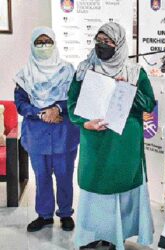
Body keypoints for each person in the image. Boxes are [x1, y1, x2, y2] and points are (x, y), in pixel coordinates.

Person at [67, 22, 156, 250]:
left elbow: (148, 103)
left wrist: (129, 88)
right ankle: (93, 236)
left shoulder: (134, 71)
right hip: (95, 141)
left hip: (124, 143)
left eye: (108, 42)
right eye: (99, 40)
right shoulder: (85, 69)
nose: (102, 45)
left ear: (120, 44)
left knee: (120, 190)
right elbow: (72, 105)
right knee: (95, 190)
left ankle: (116, 236)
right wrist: (84, 123)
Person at [14, 27, 79, 232]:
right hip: (37, 134)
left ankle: (66, 213)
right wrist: (41, 113)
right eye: (39, 42)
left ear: (55, 43)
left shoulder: (68, 71)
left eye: (47, 41)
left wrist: (56, 108)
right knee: (41, 177)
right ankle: (44, 215)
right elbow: (21, 103)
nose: (44, 46)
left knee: (64, 175)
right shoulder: (24, 75)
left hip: (63, 133)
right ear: (32, 46)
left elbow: (75, 98)